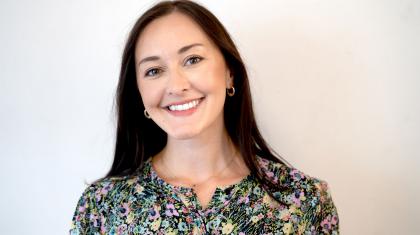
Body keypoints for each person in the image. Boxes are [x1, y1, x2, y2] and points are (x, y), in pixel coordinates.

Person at [69, 0, 339, 234]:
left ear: (229, 72)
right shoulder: (102, 208)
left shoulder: (304, 201)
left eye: (192, 59)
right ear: (138, 92)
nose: (176, 86)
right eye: (153, 70)